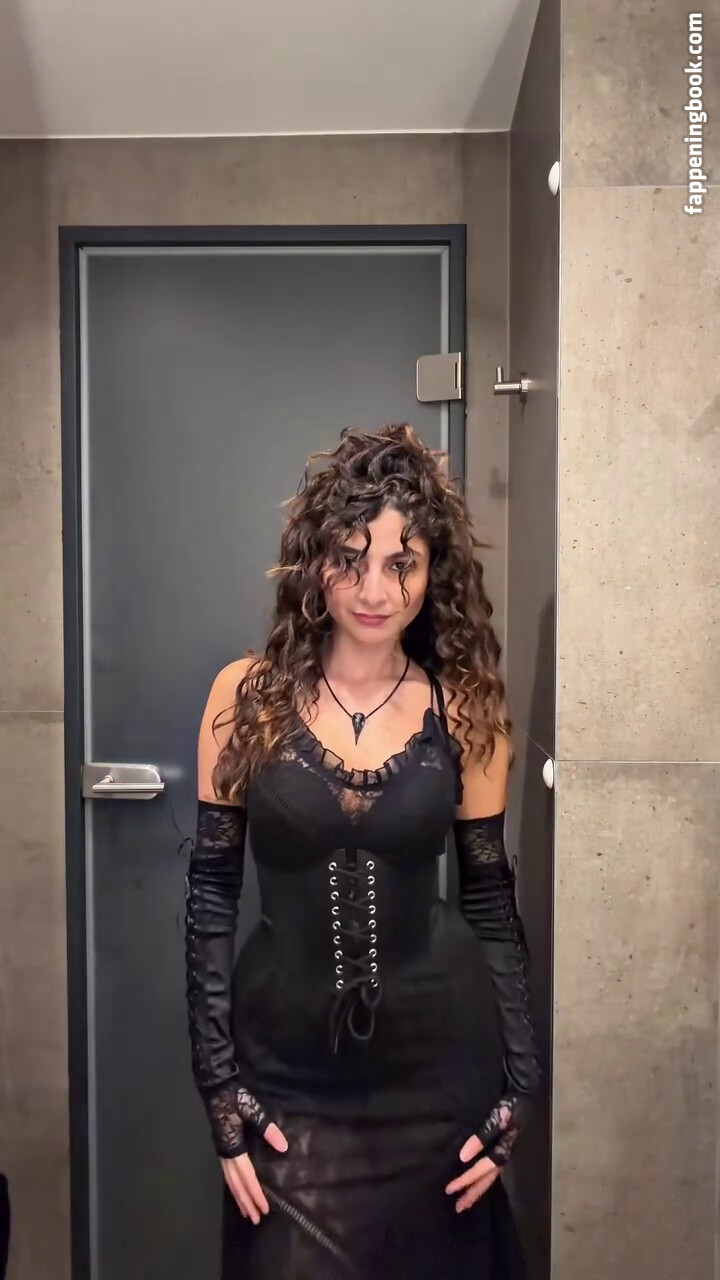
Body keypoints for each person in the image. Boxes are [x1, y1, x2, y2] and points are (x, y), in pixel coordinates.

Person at [184, 422, 541, 1279]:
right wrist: (217, 1084)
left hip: (438, 1072)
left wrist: (522, 1083)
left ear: (432, 571)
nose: (374, 589)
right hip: (286, 1077)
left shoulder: (465, 709)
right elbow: (210, 899)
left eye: (400, 563)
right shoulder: (245, 697)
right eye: (350, 559)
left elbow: (491, 901)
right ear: (314, 563)